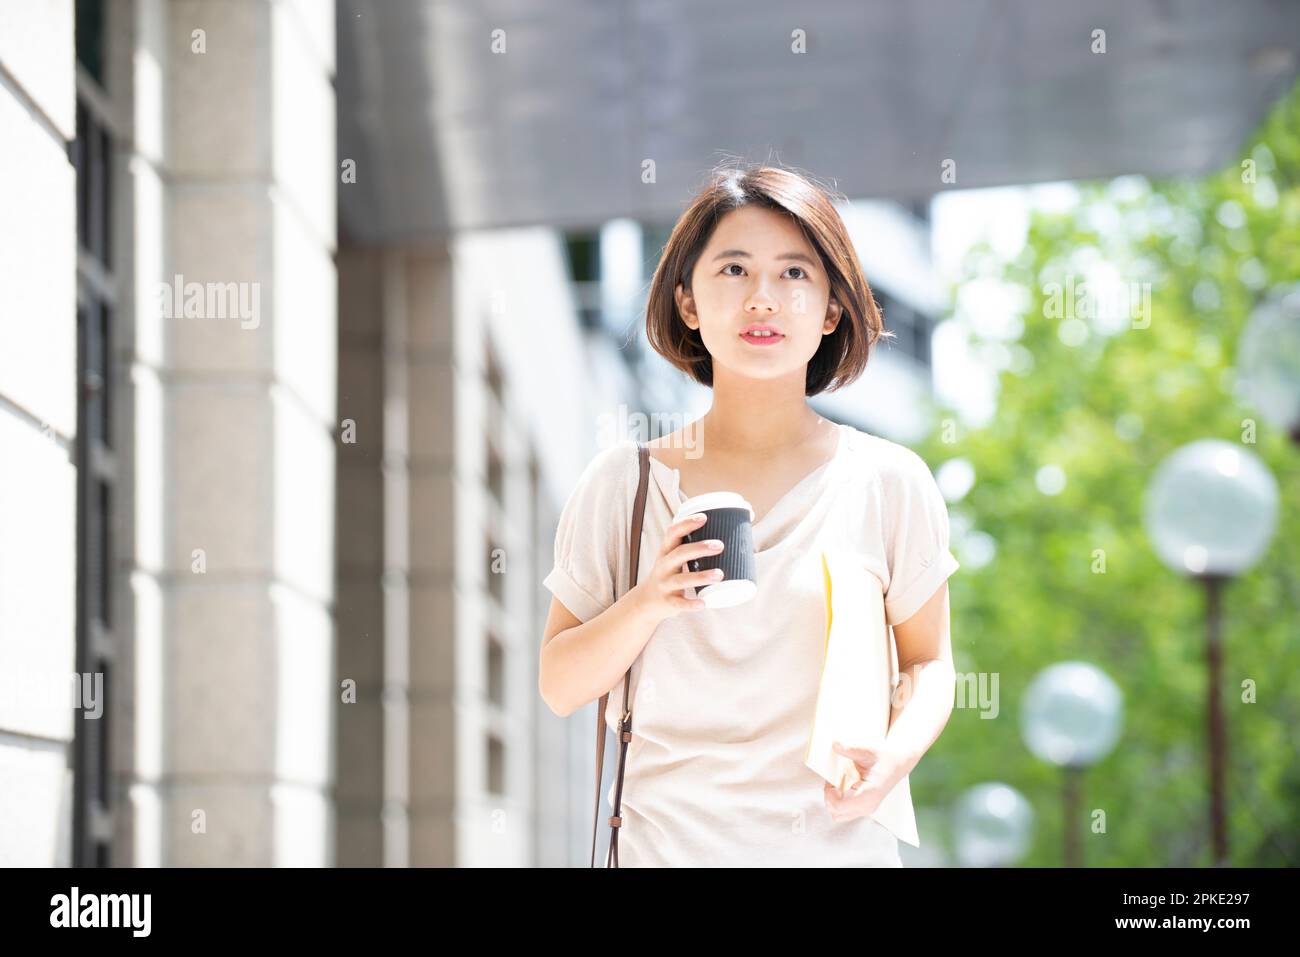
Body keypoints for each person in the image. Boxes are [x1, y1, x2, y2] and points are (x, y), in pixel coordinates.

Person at [538, 163, 960, 866]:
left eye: (795, 273)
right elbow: (559, 684)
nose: (763, 298)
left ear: (831, 309)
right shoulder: (625, 484)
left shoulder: (887, 481)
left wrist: (892, 760)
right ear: (689, 302)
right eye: (733, 269)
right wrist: (650, 600)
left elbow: (930, 665)